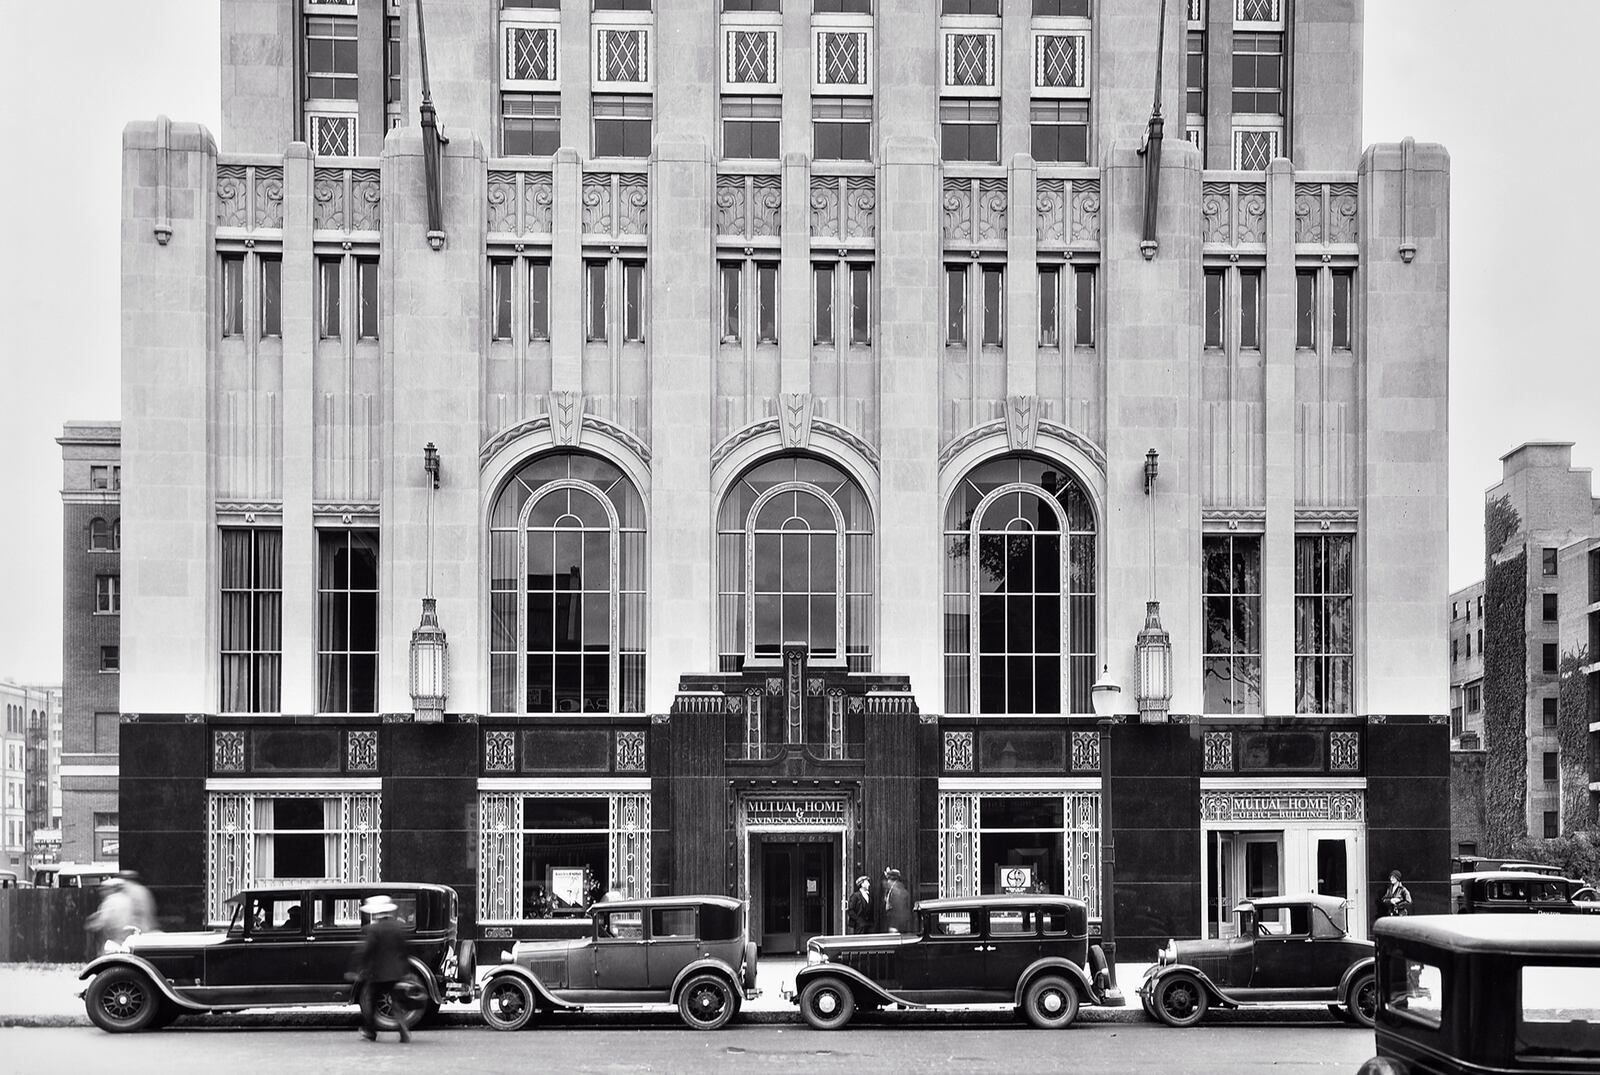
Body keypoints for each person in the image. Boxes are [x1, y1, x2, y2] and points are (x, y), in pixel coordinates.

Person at [353, 895, 414, 1043]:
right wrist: (406, 971)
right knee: (396, 1003)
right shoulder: (398, 927)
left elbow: (367, 950)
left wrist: (360, 969)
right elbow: (404, 950)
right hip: (396, 972)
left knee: (372, 1003)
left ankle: (370, 1032)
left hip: (378, 973)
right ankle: (402, 1029)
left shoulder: (373, 929)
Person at [87, 877, 135, 951]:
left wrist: (91, 925)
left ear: (112, 889)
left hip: (113, 942)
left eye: (104, 889)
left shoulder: (110, 900)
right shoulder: (127, 899)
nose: (102, 892)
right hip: (127, 940)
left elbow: (102, 921)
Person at [882, 868, 913, 934]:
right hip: (893, 920)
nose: (887, 881)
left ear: (892, 879)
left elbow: (899, 909)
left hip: (896, 922)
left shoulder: (897, 890)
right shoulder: (893, 888)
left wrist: (894, 925)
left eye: (888, 879)